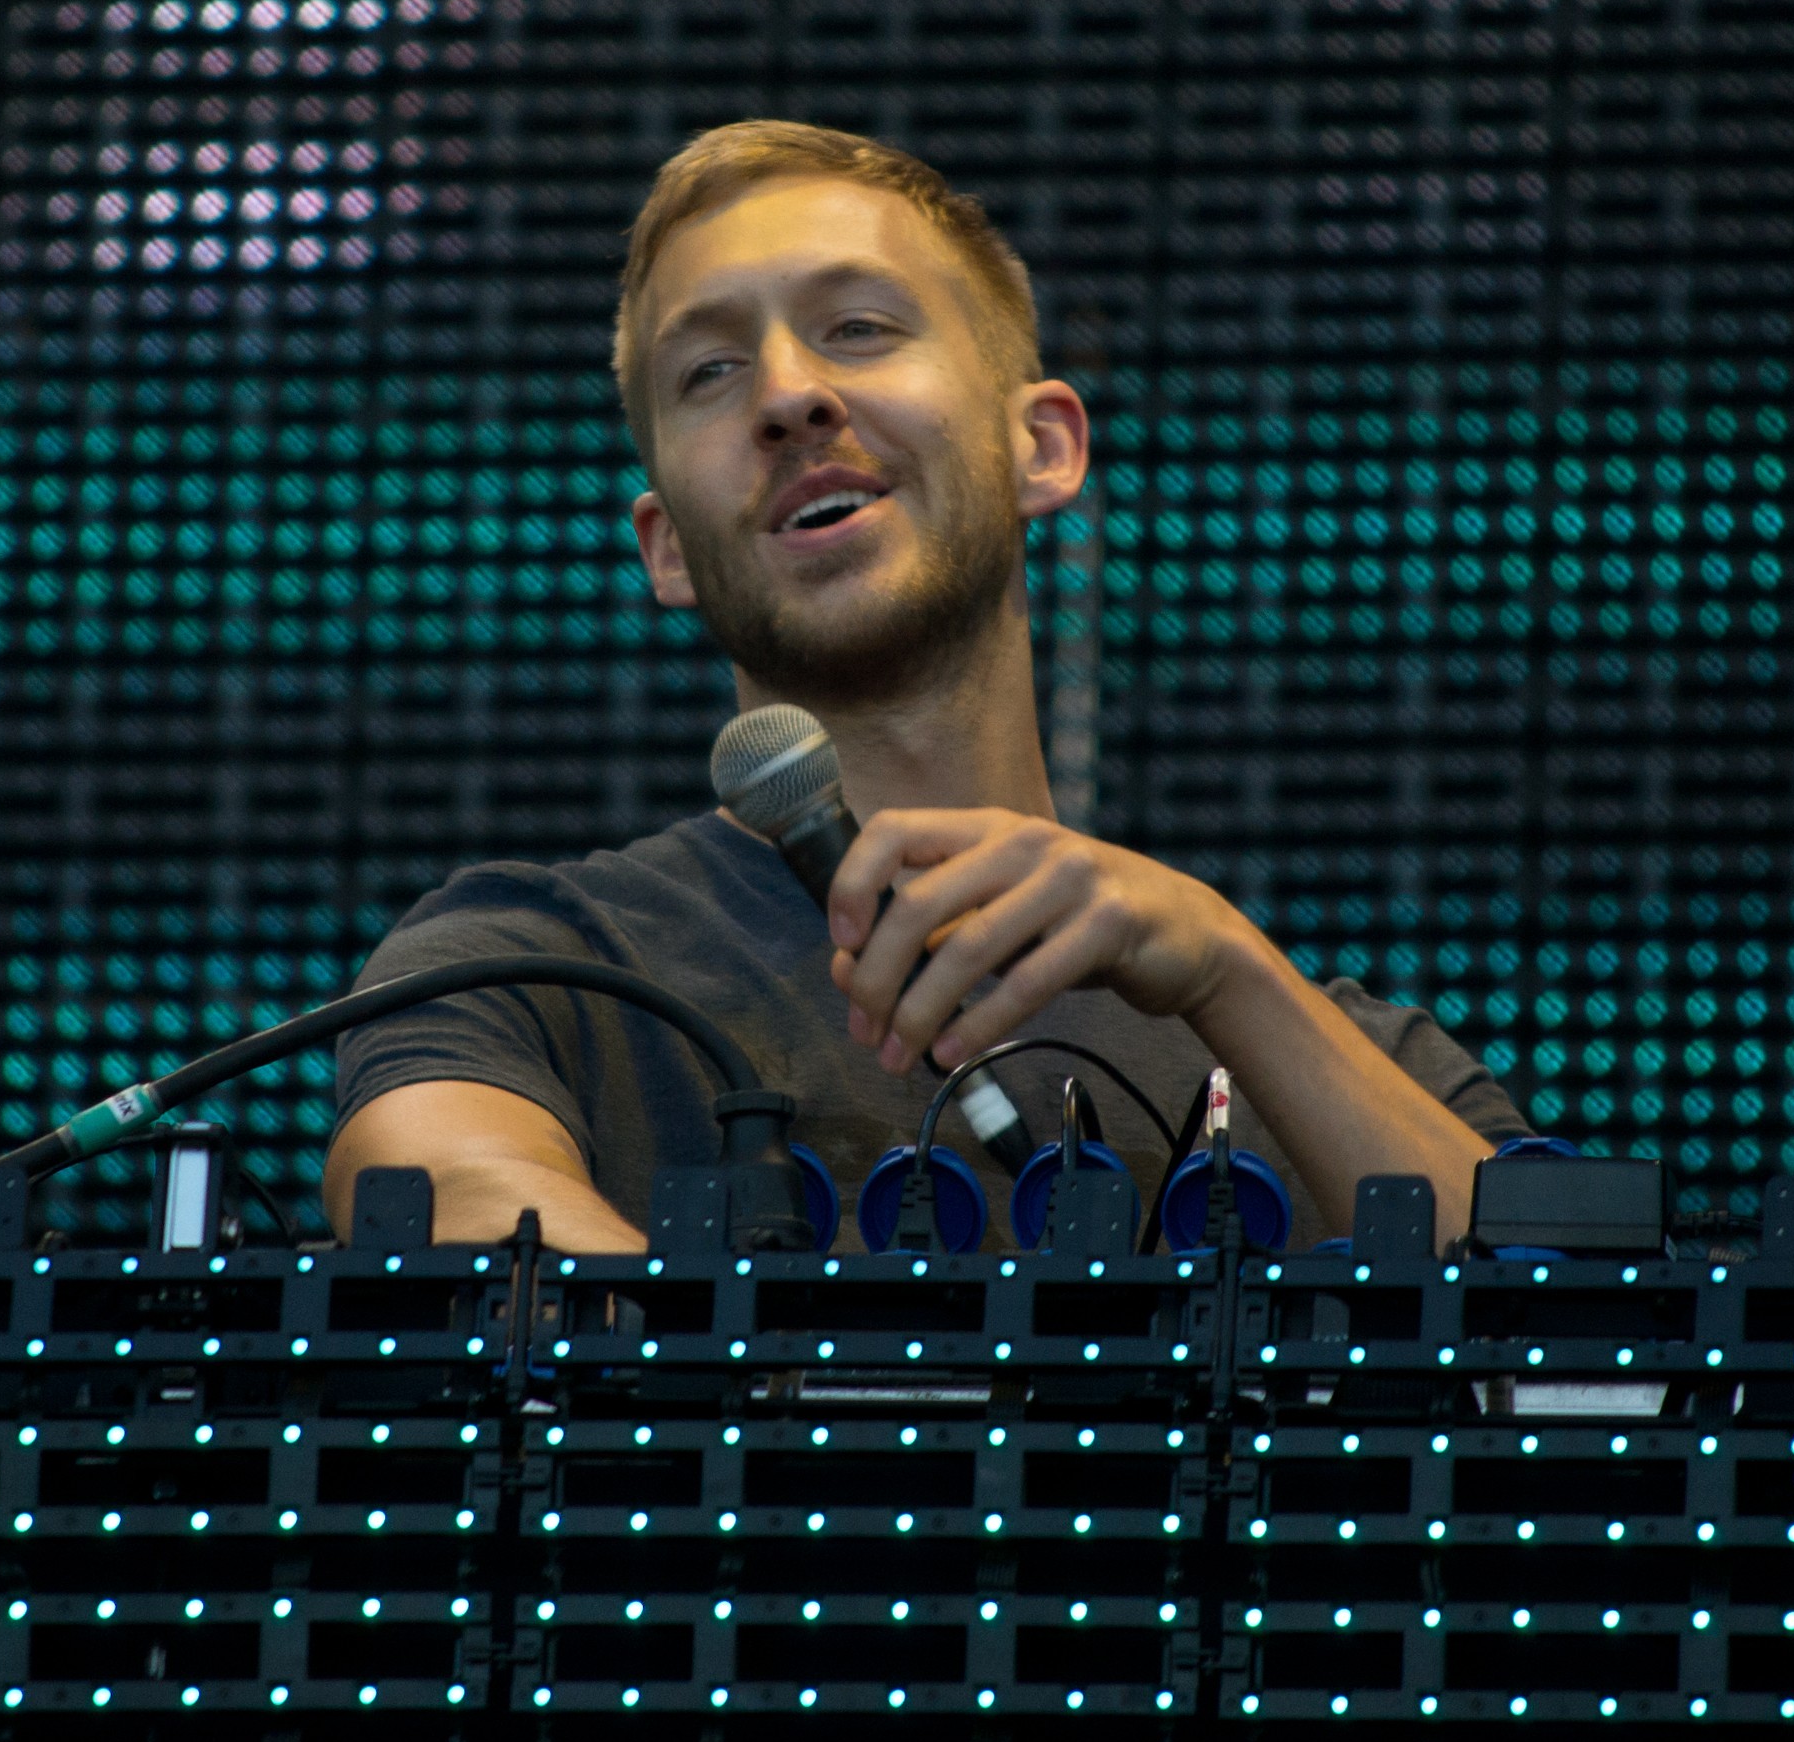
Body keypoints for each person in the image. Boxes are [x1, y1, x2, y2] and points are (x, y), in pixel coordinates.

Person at [323, 120, 1527, 1254]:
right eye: (711, 370)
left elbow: (1566, 1329)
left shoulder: (1338, 1044)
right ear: (668, 548)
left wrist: (1225, 969)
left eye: (857, 327)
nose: (788, 395)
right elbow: (460, 1209)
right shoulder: (525, 968)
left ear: (1040, 447)